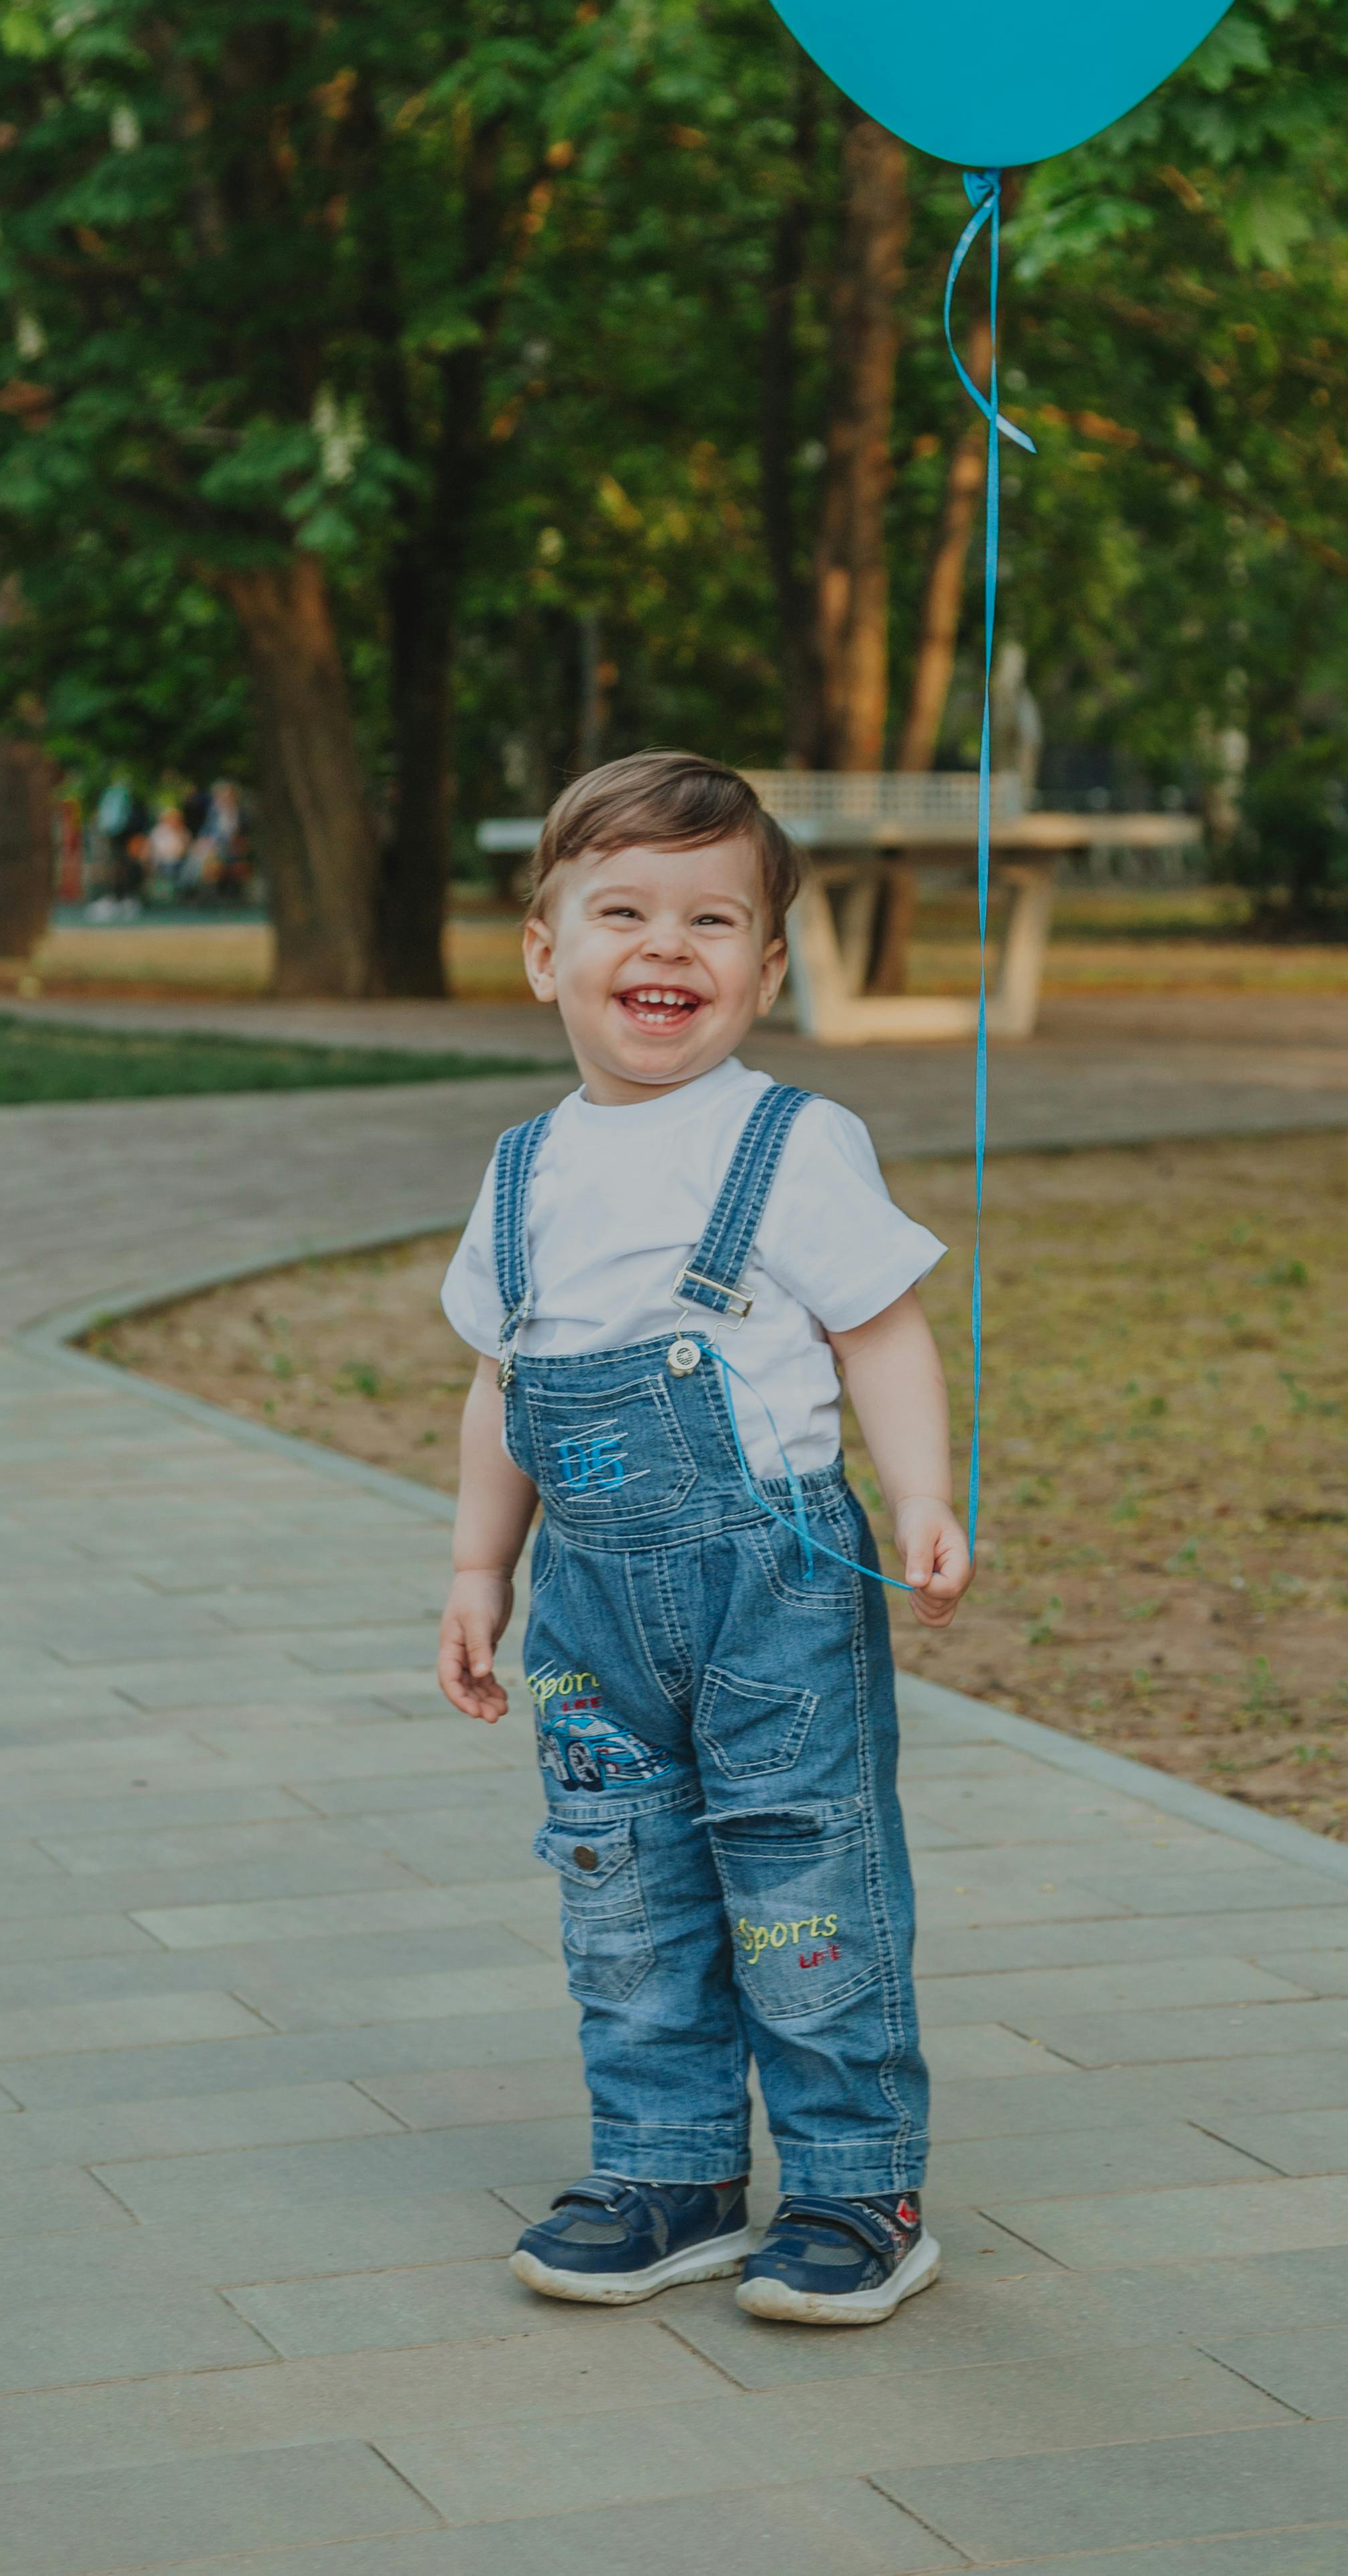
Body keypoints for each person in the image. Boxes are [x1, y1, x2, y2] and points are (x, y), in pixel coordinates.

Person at [436, 751, 973, 2327]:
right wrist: (479, 1568)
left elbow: (881, 1329)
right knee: (622, 1889)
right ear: (546, 952)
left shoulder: (792, 1140)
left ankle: (852, 2182)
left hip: (774, 1588)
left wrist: (926, 1494)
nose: (666, 948)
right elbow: (500, 1381)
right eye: (623, 910)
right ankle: (666, 2169)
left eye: (712, 918)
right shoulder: (522, 1167)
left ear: (768, 966)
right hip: (588, 1600)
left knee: (802, 1874)